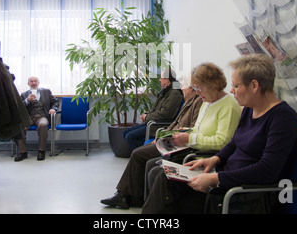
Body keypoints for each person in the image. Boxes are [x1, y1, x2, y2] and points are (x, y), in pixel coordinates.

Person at [141, 54, 297, 214]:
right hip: (224, 180)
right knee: (165, 178)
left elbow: (267, 170)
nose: (232, 91)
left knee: (169, 194)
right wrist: (214, 159)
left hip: (242, 192)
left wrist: (216, 178)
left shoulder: (283, 118)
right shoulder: (250, 110)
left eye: (236, 86)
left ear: (254, 86)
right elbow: (234, 143)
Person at [142, 62, 241, 210]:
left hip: (204, 157)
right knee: (153, 167)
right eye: (195, 88)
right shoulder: (207, 102)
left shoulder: (229, 105)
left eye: (199, 88)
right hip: (194, 152)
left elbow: (223, 141)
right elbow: (199, 129)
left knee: (160, 174)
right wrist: (187, 132)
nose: (198, 93)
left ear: (213, 84)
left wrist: (190, 138)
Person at [100, 77, 203, 209]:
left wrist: (160, 131)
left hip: (175, 142)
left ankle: (126, 196)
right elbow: (174, 122)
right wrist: (160, 133)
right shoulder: (183, 99)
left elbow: (184, 125)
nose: (181, 87)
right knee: (133, 142)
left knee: (138, 153)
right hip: (167, 136)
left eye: (184, 85)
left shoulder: (191, 100)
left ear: (192, 88)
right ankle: (127, 195)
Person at [123, 68, 183, 150]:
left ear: (167, 80)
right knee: (125, 132)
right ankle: (141, 152)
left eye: (161, 78)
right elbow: (155, 108)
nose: (159, 80)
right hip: (153, 122)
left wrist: (147, 118)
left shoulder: (175, 94)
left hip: (159, 125)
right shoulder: (165, 91)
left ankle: (143, 153)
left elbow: (165, 114)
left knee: (130, 137)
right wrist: (146, 114)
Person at [14, 76, 59, 161]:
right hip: (28, 118)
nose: (33, 83)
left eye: (35, 81)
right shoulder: (24, 94)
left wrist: (53, 109)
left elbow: (55, 101)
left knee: (42, 125)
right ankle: (23, 152)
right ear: (28, 84)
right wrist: (27, 100)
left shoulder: (46, 91)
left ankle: (41, 151)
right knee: (19, 128)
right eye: (31, 81)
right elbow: (20, 107)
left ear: (38, 83)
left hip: (42, 116)